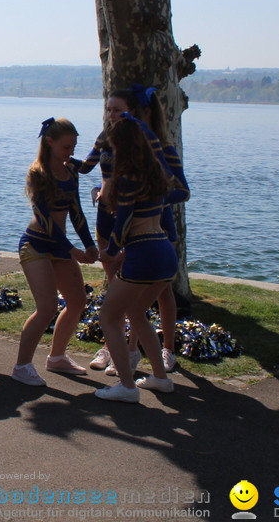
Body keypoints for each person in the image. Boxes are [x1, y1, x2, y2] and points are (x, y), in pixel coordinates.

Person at [81, 86, 188, 375]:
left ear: (142, 113)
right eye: (109, 109)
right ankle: (116, 349)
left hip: (150, 229)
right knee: (118, 290)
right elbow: (90, 169)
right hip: (113, 222)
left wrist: (148, 200)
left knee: (157, 293)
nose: (113, 115)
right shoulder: (109, 141)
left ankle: (156, 351)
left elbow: (181, 191)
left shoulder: (159, 148)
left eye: (119, 110)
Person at [94, 114, 178, 403]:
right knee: (138, 314)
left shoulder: (128, 177)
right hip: (165, 251)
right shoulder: (154, 173)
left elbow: (124, 221)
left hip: (143, 252)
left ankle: (127, 386)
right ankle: (160, 378)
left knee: (109, 316)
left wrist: (110, 251)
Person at [12, 117, 99, 385]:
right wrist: (72, 249)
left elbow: (76, 211)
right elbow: (46, 219)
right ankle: (22, 366)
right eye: (66, 147)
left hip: (59, 245)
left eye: (73, 147)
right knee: (47, 307)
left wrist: (89, 244)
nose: (70, 153)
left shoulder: (70, 171)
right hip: (36, 244)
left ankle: (57, 357)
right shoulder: (37, 173)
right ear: (49, 142)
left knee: (77, 302)